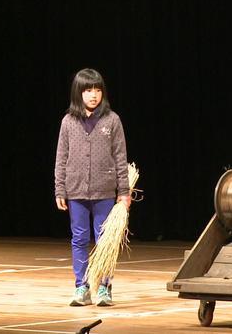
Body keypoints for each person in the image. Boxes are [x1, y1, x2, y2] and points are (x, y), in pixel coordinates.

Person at [54, 68, 131, 307]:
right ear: (78, 93)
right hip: (75, 190)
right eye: (88, 90)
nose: (93, 95)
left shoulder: (112, 120)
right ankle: (81, 287)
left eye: (97, 90)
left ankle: (104, 288)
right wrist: (60, 189)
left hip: (105, 191)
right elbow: (61, 157)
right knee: (79, 238)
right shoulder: (68, 121)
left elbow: (120, 157)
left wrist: (124, 192)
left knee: (104, 240)